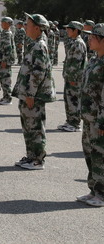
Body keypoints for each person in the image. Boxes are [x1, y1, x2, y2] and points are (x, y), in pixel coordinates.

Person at [12, 13, 55, 170]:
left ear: (37, 28)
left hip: (34, 95)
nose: (25, 27)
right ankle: (31, 156)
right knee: (29, 126)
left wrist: (30, 93)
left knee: (35, 127)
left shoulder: (39, 46)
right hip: (28, 93)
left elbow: (38, 73)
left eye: (28, 25)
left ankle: (37, 159)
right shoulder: (35, 44)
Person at [78, 23, 104, 207]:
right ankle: (93, 189)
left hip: (99, 118)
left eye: (93, 37)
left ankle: (102, 193)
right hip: (89, 117)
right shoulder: (94, 59)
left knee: (100, 155)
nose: (89, 39)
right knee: (89, 152)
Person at [58, 21, 88, 132]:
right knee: (68, 100)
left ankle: (75, 124)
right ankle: (70, 121)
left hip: (75, 78)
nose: (67, 31)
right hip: (70, 77)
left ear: (76, 30)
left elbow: (76, 63)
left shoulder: (78, 43)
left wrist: (73, 78)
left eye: (70, 29)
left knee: (74, 100)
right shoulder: (74, 42)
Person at [0, 17, 17, 105]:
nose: (1, 24)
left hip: (5, 61)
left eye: (3, 22)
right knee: (3, 79)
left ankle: (8, 98)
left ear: (8, 24)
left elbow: (7, 48)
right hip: (3, 60)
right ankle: (5, 96)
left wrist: (4, 60)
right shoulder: (5, 32)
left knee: (6, 79)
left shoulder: (7, 33)